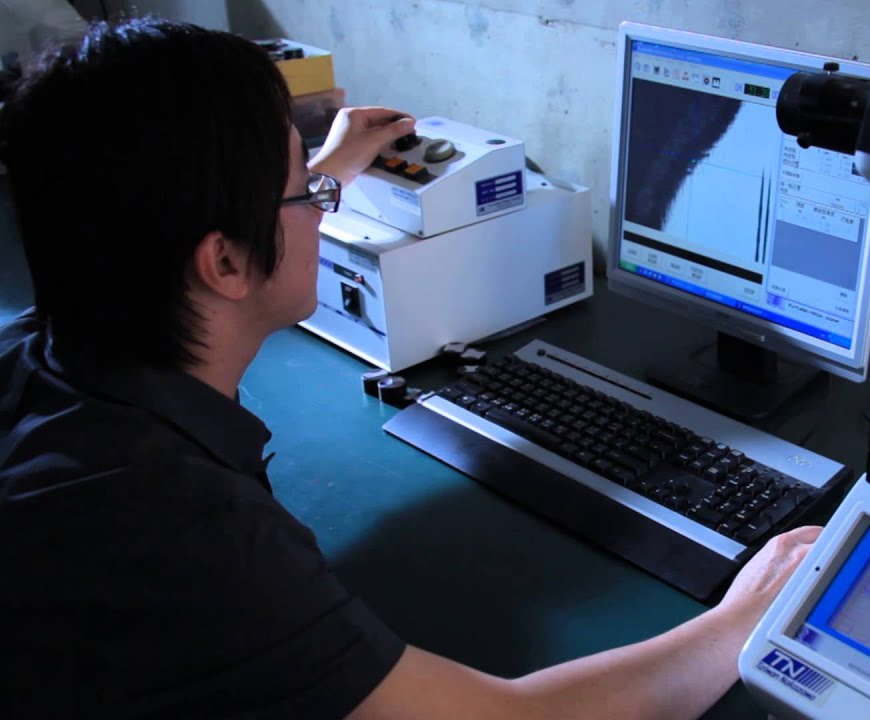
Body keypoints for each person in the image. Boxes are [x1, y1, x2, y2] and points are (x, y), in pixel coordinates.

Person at [0, 18, 821, 719]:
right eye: (305, 195)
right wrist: (745, 618)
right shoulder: (182, 535)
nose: (322, 207)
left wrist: (331, 167)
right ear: (224, 261)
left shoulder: (43, 360)